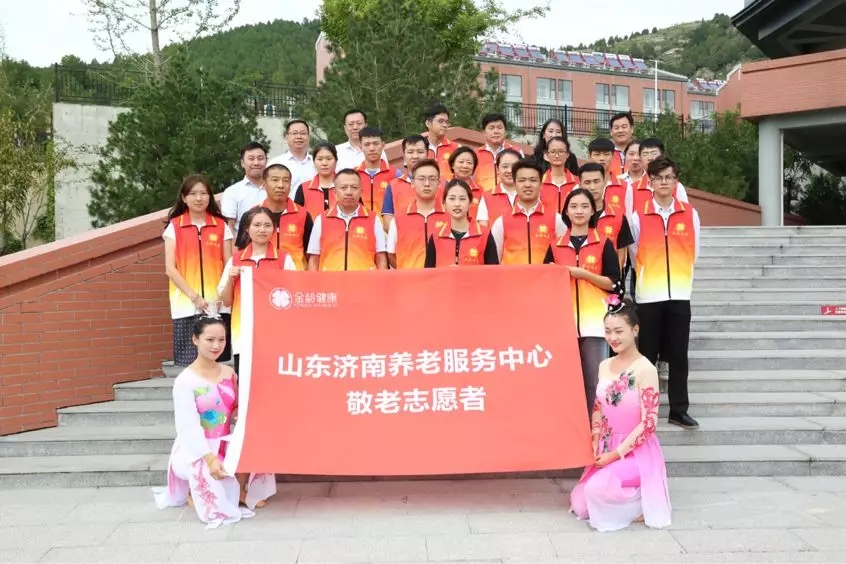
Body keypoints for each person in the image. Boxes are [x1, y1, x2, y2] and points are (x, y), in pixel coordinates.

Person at [152, 316, 277, 527]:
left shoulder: (229, 373)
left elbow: (236, 406)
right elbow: (188, 426)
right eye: (209, 340)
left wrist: (240, 414)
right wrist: (209, 458)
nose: (216, 346)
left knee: (254, 444)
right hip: (198, 446)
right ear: (195, 339)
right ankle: (195, 490)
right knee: (211, 482)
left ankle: (241, 489)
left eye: (221, 340)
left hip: (226, 439)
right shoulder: (185, 381)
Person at [569, 298, 671, 532]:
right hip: (607, 444)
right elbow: (598, 406)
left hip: (636, 452)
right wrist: (595, 440)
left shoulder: (645, 369)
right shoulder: (604, 365)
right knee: (580, 504)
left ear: (635, 330)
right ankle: (628, 496)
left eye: (618, 331)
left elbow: (649, 423)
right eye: (607, 331)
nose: (612, 337)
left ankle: (642, 498)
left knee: (596, 490)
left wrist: (615, 455)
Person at [630, 156, 700, 429]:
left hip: (680, 294)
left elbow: (695, 251)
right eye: (658, 178)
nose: (663, 182)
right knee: (647, 354)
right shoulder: (639, 216)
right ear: (650, 182)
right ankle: (646, 409)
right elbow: (634, 254)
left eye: (668, 177)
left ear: (676, 181)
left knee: (679, 354)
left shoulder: (690, 214)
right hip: (649, 295)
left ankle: (679, 410)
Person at [545, 188, 620, 414]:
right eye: (574, 206)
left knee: (595, 381)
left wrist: (583, 274)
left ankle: (596, 427)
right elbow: (545, 282)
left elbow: (614, 283)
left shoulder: (603, 243)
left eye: (585, 206)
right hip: (563, 323)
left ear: (593, 210)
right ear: (566, 212)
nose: (579, 211)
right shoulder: (555, 245)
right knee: (565, 381)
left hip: (594, 323)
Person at [218, 207, 298, 375]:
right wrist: (231, 279)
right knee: (246, 382)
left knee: (274, 379)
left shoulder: (284, 259)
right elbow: (226, 301)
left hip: (276, 333)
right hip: (243, 332)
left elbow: (294, 296)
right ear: (247, 228)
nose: (262, 230)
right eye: (257, 225)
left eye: (267, 225)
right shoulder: (236, 260)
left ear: (275, 228)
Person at [164, 175, 233, 366]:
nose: (199, 198)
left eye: (203, 193)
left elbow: (229, 265)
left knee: (216, 360)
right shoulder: (174, 226)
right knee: (190, 364)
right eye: (193, 194)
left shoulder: (221, 226)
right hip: (186, 304)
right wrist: (194, 297)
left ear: (210, 196)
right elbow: (170, 268)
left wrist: (221, 297)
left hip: (216, 305)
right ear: (184, 198)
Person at [306, 169, 389, 271]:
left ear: (361, 192)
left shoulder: (373, 219)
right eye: (343, 188)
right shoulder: (321, 219)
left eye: (354, 187)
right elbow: (314, 259)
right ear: (335, 193)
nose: (349, 192)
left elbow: (381, 256)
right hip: (329, 279)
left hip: (365, 279)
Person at [490, 159, 567, 265]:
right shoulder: (501, 222)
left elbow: (564, 257)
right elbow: (494, 261)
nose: (527, 185)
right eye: (522, 180)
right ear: (515, 184)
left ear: (541, 184)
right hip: (513, 276)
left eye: (533, 180)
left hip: (545, 276)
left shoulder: (556, 219)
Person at [386, 159, 448, 269]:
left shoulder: (449, 217)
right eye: (421, 179)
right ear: (413, 183)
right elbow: (391, 254)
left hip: (441, 277)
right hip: (409, 278)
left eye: (432, 179)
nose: (427, 184)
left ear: (439, 183)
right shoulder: (398, 219)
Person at [425, 179, 499, 267]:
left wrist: (463, 272)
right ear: (444, 203)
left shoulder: (484, 235)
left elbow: (493, 272)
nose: (457, 204)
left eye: (462, 199)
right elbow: (428, 272)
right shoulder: (436, 236)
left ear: (470, 203)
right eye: (452, 199)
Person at [578, 163, 635, 272]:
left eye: (596, 181)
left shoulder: (618, 217)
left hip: (609, 276)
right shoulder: (573, 216)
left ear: (604, 182)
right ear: (580, 185)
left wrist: (615, 276)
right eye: (587, 182)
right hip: (581, 275)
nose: (592, 187)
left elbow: (621, 251)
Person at [257, 164, 313, 270]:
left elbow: (311, 252)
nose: (281, 185)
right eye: (275, 180)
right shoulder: (253, 215)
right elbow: (243, 250)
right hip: (263, 276)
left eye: (286, 181)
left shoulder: (303, 215)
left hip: (294, 276)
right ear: (264, 184)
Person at [626, 138, 690, 218]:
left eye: (654, 153)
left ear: (662, 155)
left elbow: (685, 215)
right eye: (645, 154)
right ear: (640, 158)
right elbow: (629, 219)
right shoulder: (631, 189)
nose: (650, 158)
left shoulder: (676, 186)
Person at [381, 134, 431, 230]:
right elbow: (387, 221)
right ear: (404, 155)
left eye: (420, 152)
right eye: (410, 152)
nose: (415, 156)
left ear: (427, 154)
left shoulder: (441, 183)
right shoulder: (393, 186)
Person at [221, 142, 267, 232]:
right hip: (242, 240)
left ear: (266, 161)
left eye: (260, 158)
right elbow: (229, 227)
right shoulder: (232, 192)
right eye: (251, 159)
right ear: (242, 163)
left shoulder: (275, 190)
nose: (256, 163)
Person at [356, 126, 403, 215]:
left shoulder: (395, 174)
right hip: (360, 223)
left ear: (383, 145)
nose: (372, 148)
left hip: (387, 222)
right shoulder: (353, 175)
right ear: (360, 147)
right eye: (367, 144)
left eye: (376, 143)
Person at [267, 120, 315, 200]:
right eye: (294, 133)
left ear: (309, 137)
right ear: (286, 136)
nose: (299, 136)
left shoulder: (317, 163)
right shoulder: (276, 163)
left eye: (303, 133)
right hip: (285, 207)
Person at [474, 113, 522, 192]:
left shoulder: (517, 152)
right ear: (484, 132)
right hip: (483, 197)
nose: (496, 131)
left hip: (511, 197)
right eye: (491, 128)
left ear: (505, 131)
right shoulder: (475, 155)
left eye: (499, 128)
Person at [474, 149, 521, 228]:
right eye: (505, 166)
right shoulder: (487, 197)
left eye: (514, 166)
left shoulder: (531, 194)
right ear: (497, 169)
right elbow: (483, 229)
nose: (510, 170)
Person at [295, 142, 338, 218]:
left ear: (336, 161)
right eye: (319, 159)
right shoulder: (303, 188)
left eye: (329, 159)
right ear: (314, 162)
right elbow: (297, 218)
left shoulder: (346, 187)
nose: (324, 163)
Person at [586, 137, 626, 218]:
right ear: (589, 156)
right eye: (597, 154)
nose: (602, 158)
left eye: (606, 154)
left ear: (613, 156)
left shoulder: (625, 186)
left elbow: (627, 216)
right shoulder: (580, 186)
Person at [542, 136, 579, 212]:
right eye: (553, 152)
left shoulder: (578, 182)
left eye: (561, 151)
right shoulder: (538, 183)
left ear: (567, 154)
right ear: (546, 155)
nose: (557, 155)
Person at [424, 103, 460, 180]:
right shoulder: (419, 148)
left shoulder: (456, 148)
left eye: (446, 122)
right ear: (428, 123)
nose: (445, 125)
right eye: (440, 121)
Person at [448, 147, 484, 220]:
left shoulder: (481, 191)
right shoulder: (444, 188)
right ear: (452, 165)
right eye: (461, 162)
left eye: (469, 163)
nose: (465, 166)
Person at [608, 112, 634, 178]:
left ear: (632, 129)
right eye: (616, 128)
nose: (620, 130)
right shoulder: (605, 153)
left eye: (624, 127)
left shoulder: (640, 151)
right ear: (611, 132)